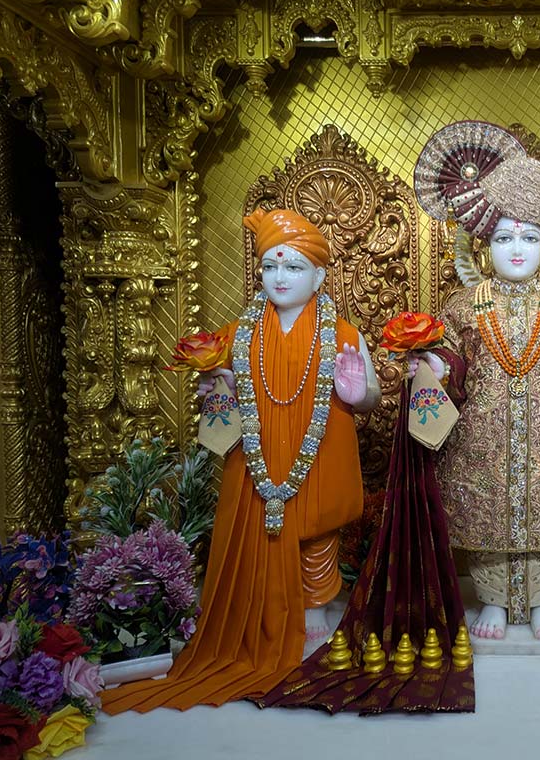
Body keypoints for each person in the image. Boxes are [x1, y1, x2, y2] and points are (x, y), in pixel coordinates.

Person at [103, 208, 380, 713]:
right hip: (257, 455)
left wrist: (359, 391)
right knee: (262, 526)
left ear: (319, 276)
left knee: (316, 525)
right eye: (271, 267)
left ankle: (315, 603)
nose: (280, 278)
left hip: (318, 448)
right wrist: (218, 387)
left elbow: (370, 397)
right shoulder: (238, 332)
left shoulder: (342, 333)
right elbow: (222, 395)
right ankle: (258, 611)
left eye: (294, 268)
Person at [411, 121, 540, 641]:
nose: (515, 249)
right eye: (504, 237)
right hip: (481, 436)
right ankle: (490, 600)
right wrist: (439, 366)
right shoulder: (464, 305)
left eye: (529, 238)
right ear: (483, 248)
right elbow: (453, 356)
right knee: (486, 515)